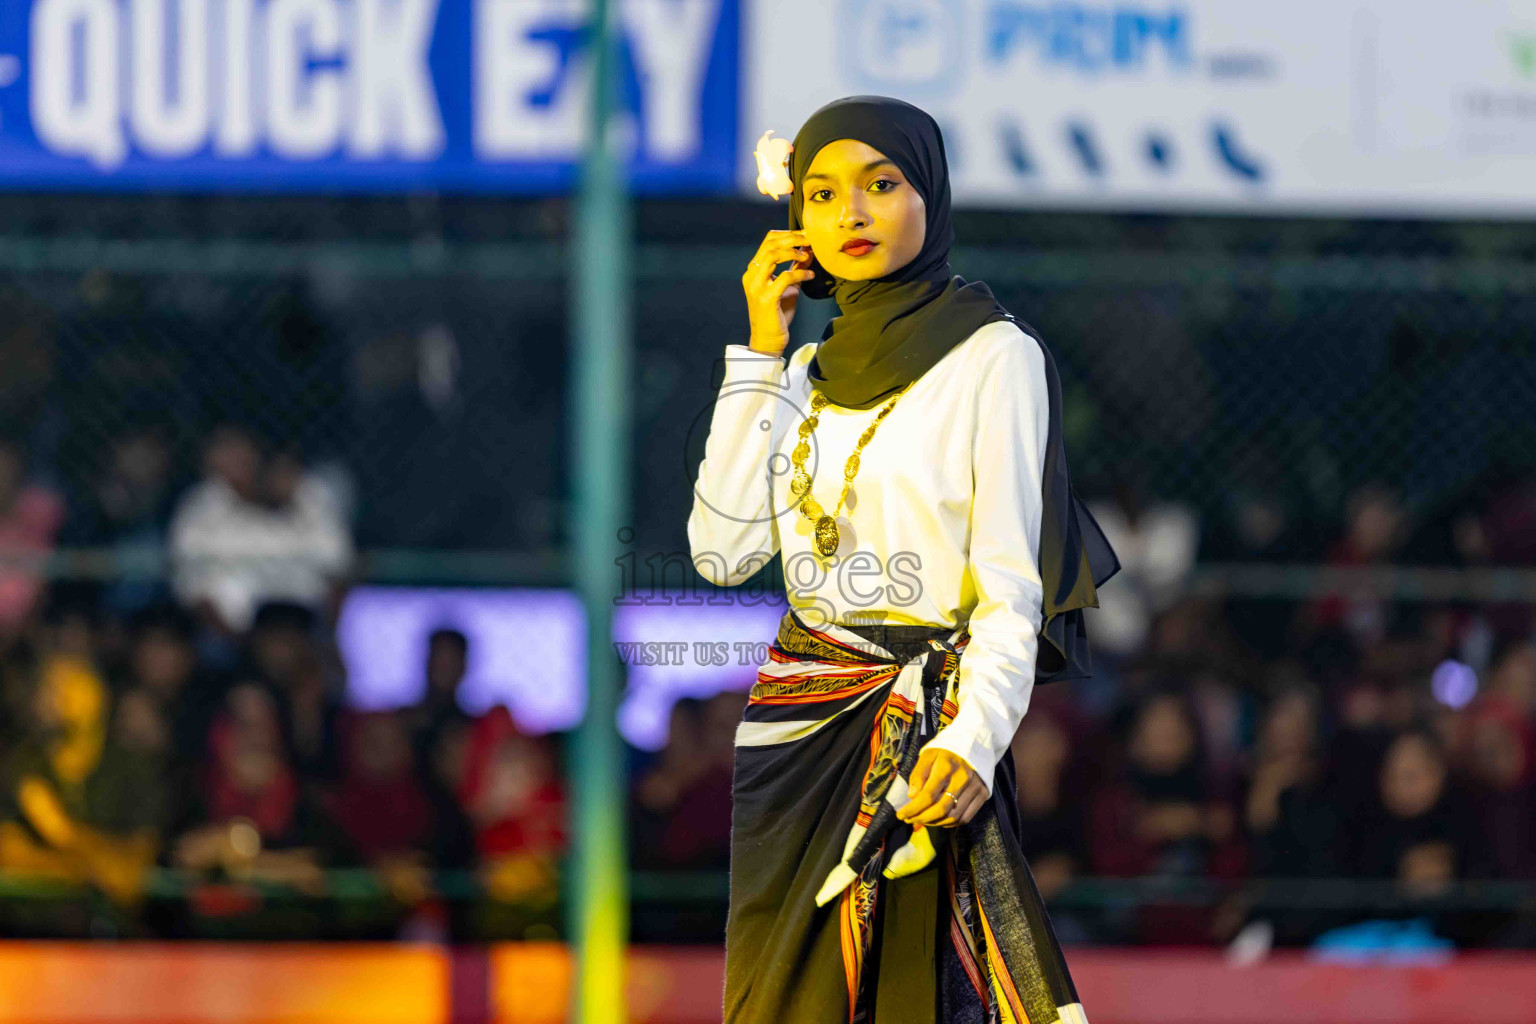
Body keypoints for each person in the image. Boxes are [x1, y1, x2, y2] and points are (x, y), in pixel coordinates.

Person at [687, 95, 1119, 1024]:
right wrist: (761, 349)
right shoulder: (798, 374)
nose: (851, 212)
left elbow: (1012, 589)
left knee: (922, 997)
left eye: (882, 184)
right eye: (822, 192)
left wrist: (972, 740)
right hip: (794, 737)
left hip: (929, 734)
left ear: (931, 195)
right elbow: (722, 554)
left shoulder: (994, 356)